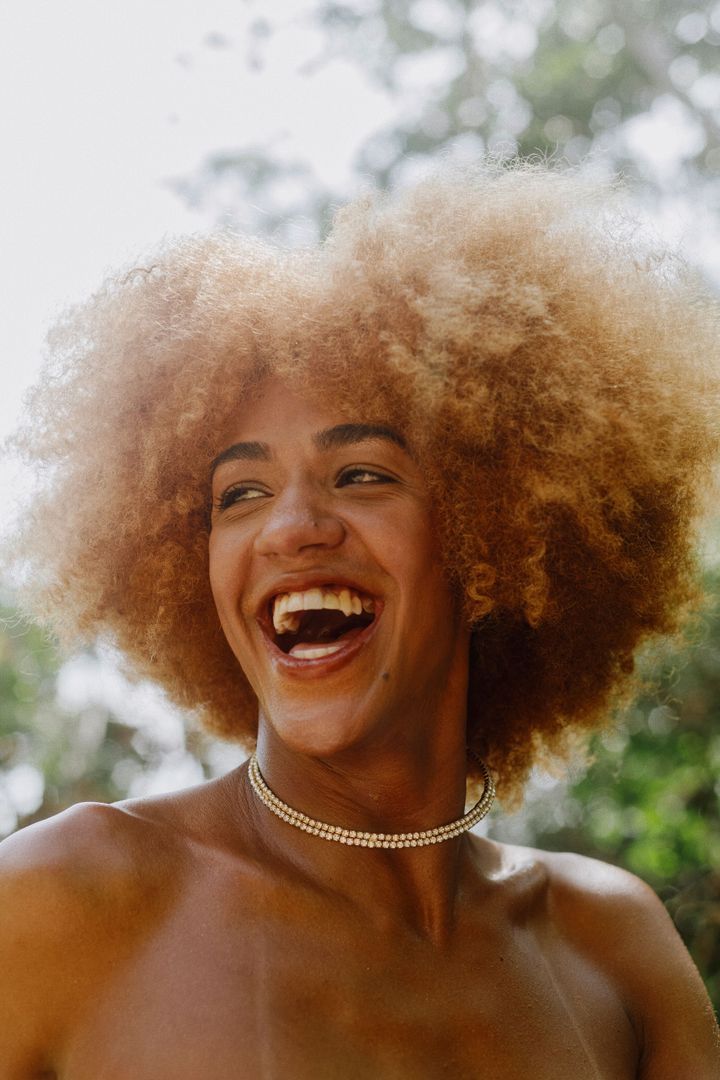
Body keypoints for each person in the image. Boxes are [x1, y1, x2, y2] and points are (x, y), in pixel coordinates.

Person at [1, 163, 719, 1079]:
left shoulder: (610, 950)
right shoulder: (64, 904)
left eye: (362, 474)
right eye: (241, 493)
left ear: (496, 528)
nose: (293, 527)